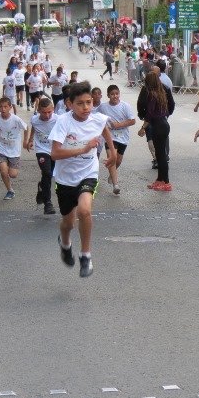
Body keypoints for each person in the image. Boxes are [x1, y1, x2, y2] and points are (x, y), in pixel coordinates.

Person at [49, 81, 117, 277]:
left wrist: (111, 152)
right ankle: (64, 242)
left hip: (88, 172)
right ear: (70, 104)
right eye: (80, 103)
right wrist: (83, 149)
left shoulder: (97, 118)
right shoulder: (63, 122)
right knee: (68, 223)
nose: (86, 107)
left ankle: (85, 255)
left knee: (85, 211)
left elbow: (104, 129)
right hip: (65, 178)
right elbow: (54, 153)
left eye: (89, 102)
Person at [96, 84, 136, 195]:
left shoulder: (125, 106)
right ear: (108, 95)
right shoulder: (103, 107)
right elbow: (95, 118)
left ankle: (112, 175)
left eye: (117, 94)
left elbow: (132, 121)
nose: (115, 96)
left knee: (118, 161)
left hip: (123, 137)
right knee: (111, 157)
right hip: (110, 137)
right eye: (112, 94)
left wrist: (118, 125)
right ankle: (115, 185)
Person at [137, 72, 175, 190]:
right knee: (159, 155)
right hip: (163, 124)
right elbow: (168, 109)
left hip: (158, 126)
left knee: (161, 156)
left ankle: (166, 182)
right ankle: (160, 180)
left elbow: (150, 114)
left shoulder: (152, 95)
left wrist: (143, 128)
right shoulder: (161, 92)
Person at [0, 97, 27, 200]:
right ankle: (10, 190)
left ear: (10, 107)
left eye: (5, 107)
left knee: (13, 174)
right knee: (3, 171)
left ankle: (11, 167)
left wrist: (25, 141)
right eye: (1, 107)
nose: (3, 109)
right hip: (2, 149)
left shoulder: (16, 119)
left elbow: (26, 128)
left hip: (14, 149)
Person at [24, 96, 58, 214]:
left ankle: (41, 188)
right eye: (44, 113)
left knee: (49, 176)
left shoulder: (58, 119)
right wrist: (30, 140)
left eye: (49, 112)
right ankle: (48, 203)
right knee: (47, 173)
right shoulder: (35, 119)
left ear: (53, 109)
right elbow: (34, 128)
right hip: (41, 150)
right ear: (38, 111)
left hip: (55, 150)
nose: (47, 115)